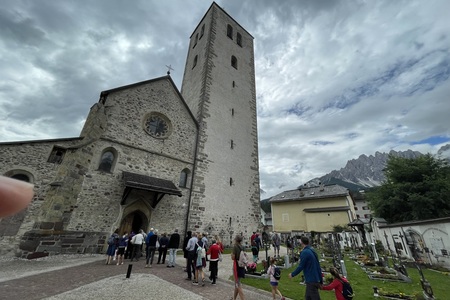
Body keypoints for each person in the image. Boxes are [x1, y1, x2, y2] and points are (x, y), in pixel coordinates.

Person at [288, 236, 323, 300]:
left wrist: (292, 274)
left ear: (301, 243)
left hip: (311, 280)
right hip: (315, 278)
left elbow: (301, 266)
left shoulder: (305, 252)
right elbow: (318, 265)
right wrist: (320, 280)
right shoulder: (312, 250)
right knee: (308, 297)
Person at [232, 234, 246, 300]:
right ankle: (234, 298)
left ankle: (243, 298)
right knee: (237, 283)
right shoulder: (242, 247)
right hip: (241, 265)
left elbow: (233, 257)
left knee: (238, 284)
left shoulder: (235, 246)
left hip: (236, 266)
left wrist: (231, 254)